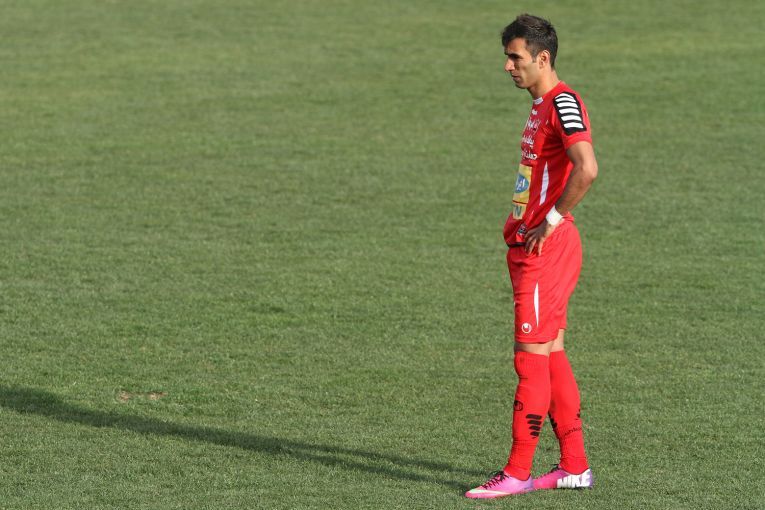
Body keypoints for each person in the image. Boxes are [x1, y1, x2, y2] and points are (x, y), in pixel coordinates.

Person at [465, 14, 599, 499]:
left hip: (545, 250)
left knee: (530, 360)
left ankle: (518, 471)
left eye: (515, 57)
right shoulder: (542, 104)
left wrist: (553, 219)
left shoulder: (562, 102)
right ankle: (574, 466)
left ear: (543, 58)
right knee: (551, 354)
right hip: (533, 249)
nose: (508, 66)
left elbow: (587, 168)